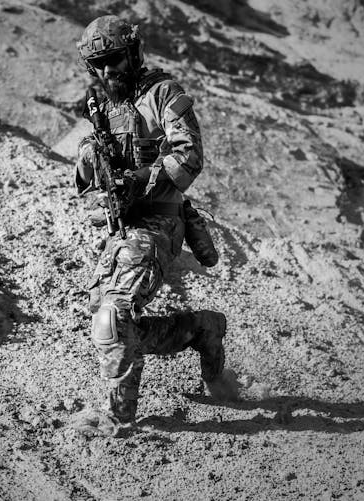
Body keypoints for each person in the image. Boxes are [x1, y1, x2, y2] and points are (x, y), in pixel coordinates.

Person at [72, 15, 238, 437]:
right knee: (110, 322)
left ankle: (119, 418)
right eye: (99, 64)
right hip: (124, 225)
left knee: (113, 316)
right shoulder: (102, 107)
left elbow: (190, 154)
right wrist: (90, 156)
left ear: (133, 54)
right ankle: (201, 329)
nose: (108, 70)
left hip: (161, 219)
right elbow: (85, 178)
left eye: (115, 59)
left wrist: (143, 178)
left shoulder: (162, 93)